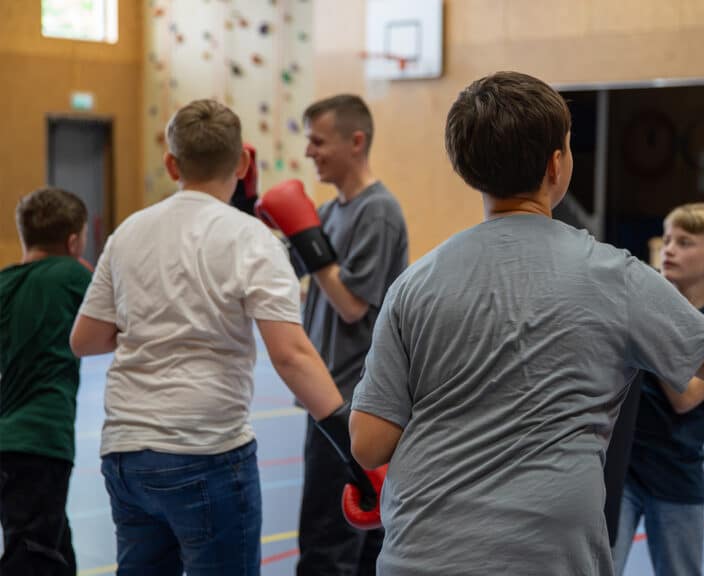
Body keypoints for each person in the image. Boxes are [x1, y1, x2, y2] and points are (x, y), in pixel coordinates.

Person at [345, 71, 704, 576]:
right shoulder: (612, 275)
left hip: (420, 548)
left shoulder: (415, 284)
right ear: (557, 165)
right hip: (546, 554)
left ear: (465, 168)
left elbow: (369, 443)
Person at [68, 99, 366, 575]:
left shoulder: (128, 232)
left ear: (171, 163)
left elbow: (86, 339)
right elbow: (290, 356)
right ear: (244, 163)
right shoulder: (252, 240)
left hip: (127, 452)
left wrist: (156, 318)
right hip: (205, 451)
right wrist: (353, 449)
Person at [257, 94, 408, 575]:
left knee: (327, 545)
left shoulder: (378, 211)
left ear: (356, 141)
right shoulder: (329, 212)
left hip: (351, 404)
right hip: (327, 397)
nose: (309, 153)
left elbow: (350, 304)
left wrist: (310, 241)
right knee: (356, 543)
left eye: (319, 142)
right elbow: (283, 270)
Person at [611, 203, 704, 576]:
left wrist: (655, 315)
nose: (669, 249)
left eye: (685, 242)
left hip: (676, 475)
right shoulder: (634, 308)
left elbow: (685, 395)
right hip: (621, 470)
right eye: (668, 239)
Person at [0, 187, 91, 575]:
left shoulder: (4, 283)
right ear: (73, 241)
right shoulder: (72, 274)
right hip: (43, 440)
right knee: (32, 556)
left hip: (8, 437)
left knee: (52, 547)